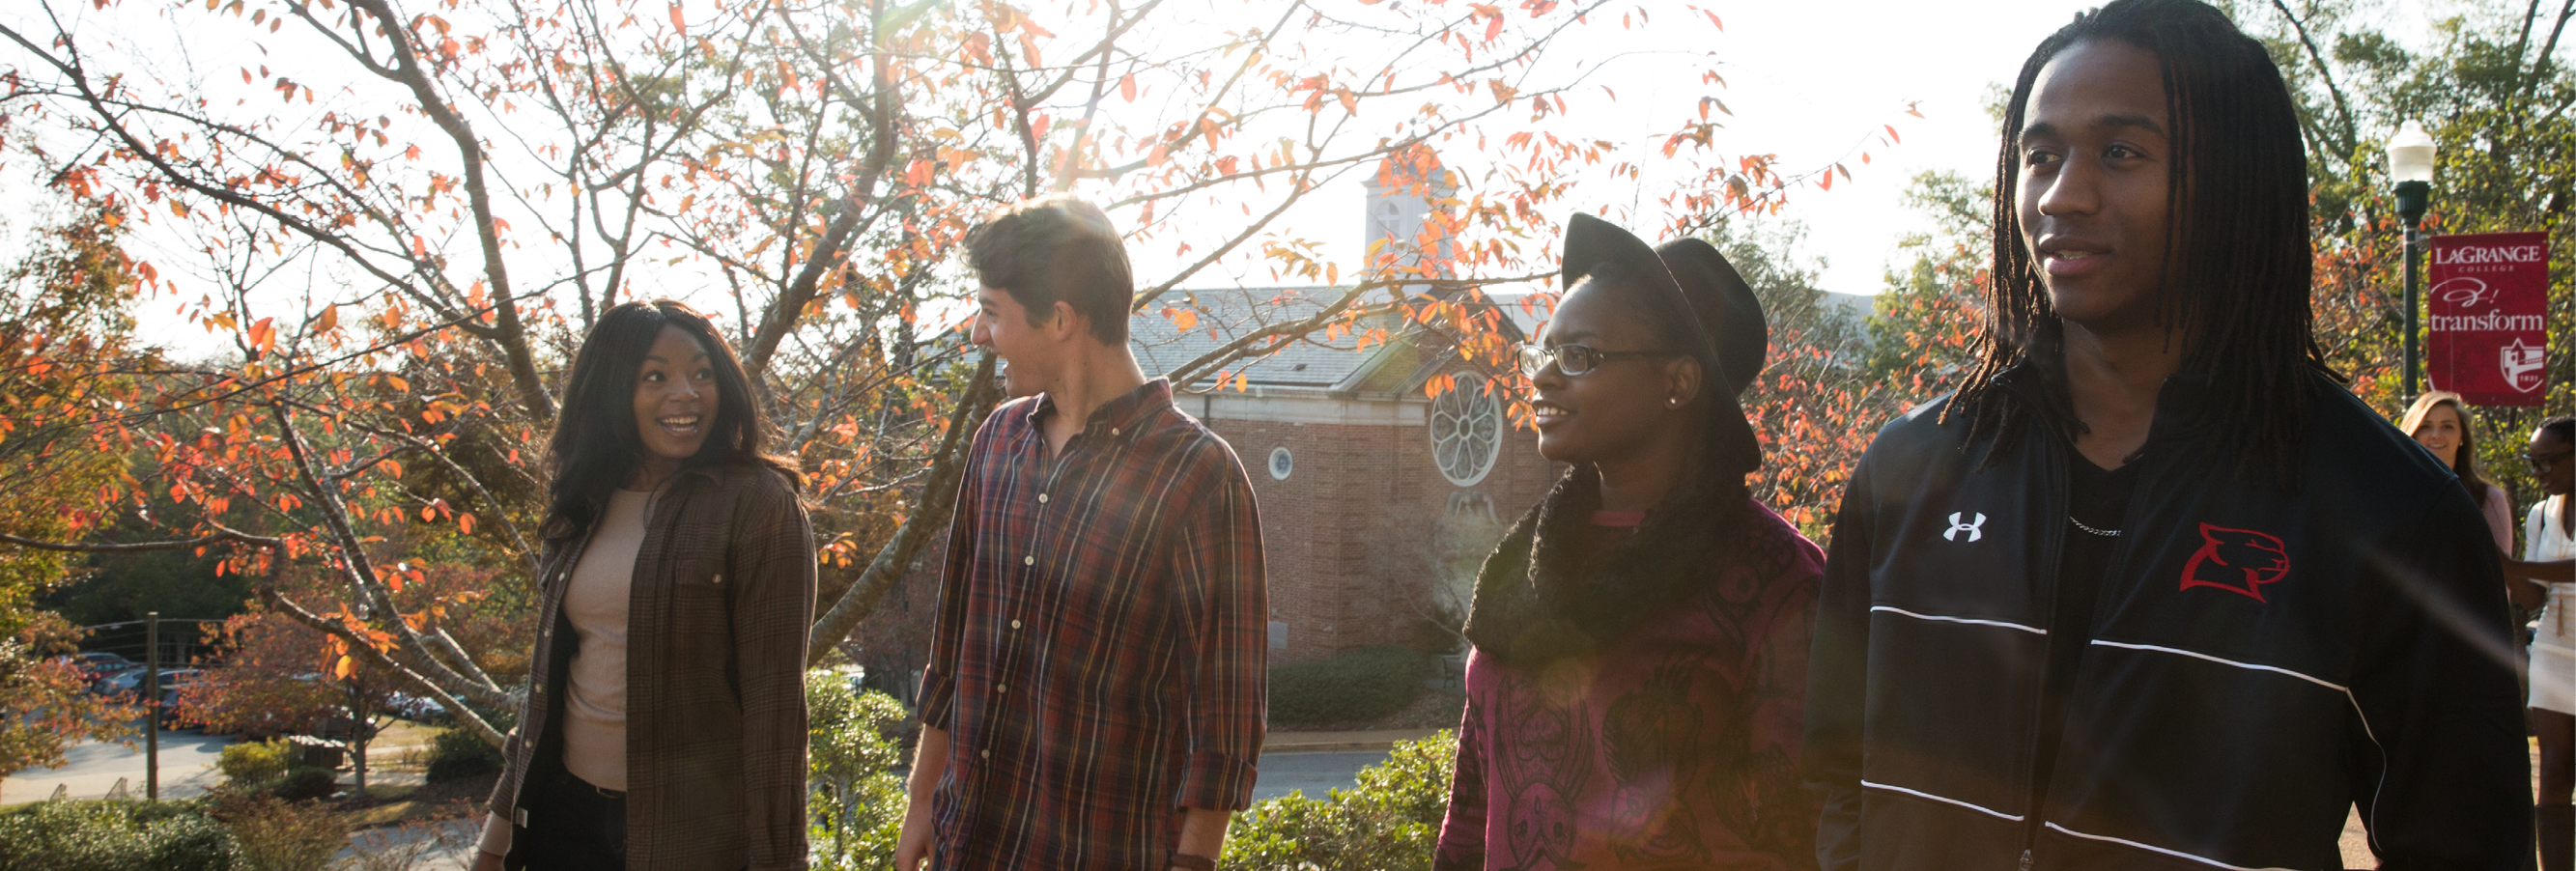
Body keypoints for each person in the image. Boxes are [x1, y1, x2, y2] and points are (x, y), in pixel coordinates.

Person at [1800, 1, 2532, 869]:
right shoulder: (1910, 467)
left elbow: (2461, 845)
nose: (2061, 194)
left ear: (2235, 182)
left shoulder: (2391, 514)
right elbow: (1834, 771)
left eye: (2120, 152)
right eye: (2039, 156)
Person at [1434, 213, 1824, 870]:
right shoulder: (1517, 569)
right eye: (1544, 353)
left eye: (1578, 356)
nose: (1541, 378)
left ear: (1676, 383)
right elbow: (1472, 815)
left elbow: (1796, 834)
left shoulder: (1779, 582)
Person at [893, 195, 1267, 871]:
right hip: (968, 842)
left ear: (1060, 320)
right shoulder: (996, 442)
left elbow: (1227, 708)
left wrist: (1194, 861)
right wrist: (922, 802)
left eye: (990, 312)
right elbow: (953, 645)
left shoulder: (1199, 475)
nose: (978, 335)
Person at [473, 300, 818, 871]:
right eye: (654, 376)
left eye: (703, 373)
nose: (686, 393)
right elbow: (546, 691)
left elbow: (776, 714)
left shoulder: (758, 505)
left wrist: (780, 861)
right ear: (611, 390)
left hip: (693, 839)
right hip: (564, 822)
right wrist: (495, 837)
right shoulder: (580, 500)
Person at [2503, 418, 2576, 870]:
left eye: (2547, 461)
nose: (2538, 472)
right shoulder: (2541, 514)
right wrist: (2507, 572)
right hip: (2553, 646)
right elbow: (2531, 595)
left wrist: (2512, 565)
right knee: (2552, 770)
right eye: (2533, 463)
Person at [2400, 390, 2513, 554]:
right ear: (2413, 434)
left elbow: (2501, 574)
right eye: (2425, 426)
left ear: (2462, 436)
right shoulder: (2392, 494)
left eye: (2447, 426)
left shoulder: (2489, 500)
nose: (2436, 435)